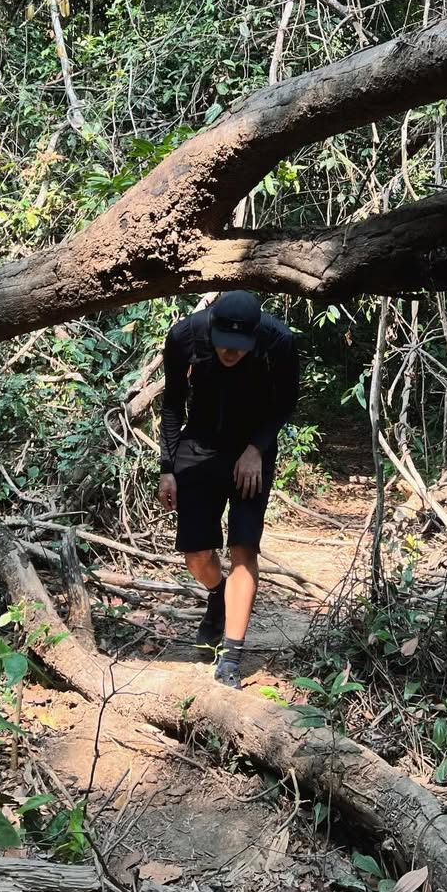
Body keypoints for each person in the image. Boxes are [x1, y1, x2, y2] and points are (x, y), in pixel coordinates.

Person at [157, 291, 299, 688]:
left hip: (252, 449)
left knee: (243, 547)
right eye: (224, 343)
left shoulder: (278, 341)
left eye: (240, 345)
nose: (231, 352)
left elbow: (286, 402)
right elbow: (172, 403)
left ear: (254, 334)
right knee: (196, 553)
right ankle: (218, 594)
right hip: (199, 445)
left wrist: (256, 448)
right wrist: (167, 468)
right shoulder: (185, 335)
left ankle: (231, 657)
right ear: (212, 328)